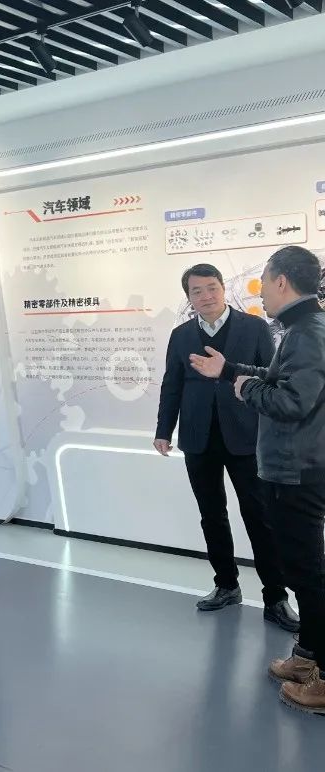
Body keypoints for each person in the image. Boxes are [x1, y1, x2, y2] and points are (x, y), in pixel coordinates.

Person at [190, 246, 325, 715]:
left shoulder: (308, 332)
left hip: (298, 469)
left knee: (308, 573)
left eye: (264, 281)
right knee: (302, 568)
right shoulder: (300, 329)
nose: (260, 291)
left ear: (282, 281)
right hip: (291, 466)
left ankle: (323, 679)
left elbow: (290, 402)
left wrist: (244, 387)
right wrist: (231, 371)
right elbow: (276, 378)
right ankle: (308, 656)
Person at [154, 263, 297, 630]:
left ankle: (276, 598)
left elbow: (273, 379)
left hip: (247, 437)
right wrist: (163, 430)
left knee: (259, 517)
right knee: (212, 514)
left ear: (222, 288)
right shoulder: (181, 335)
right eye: (197, 291)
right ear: (189, 298)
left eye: (211, 287)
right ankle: (226, 585)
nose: (206, 296)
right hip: (198, 438)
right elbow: (172, 384)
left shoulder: (254, 327)